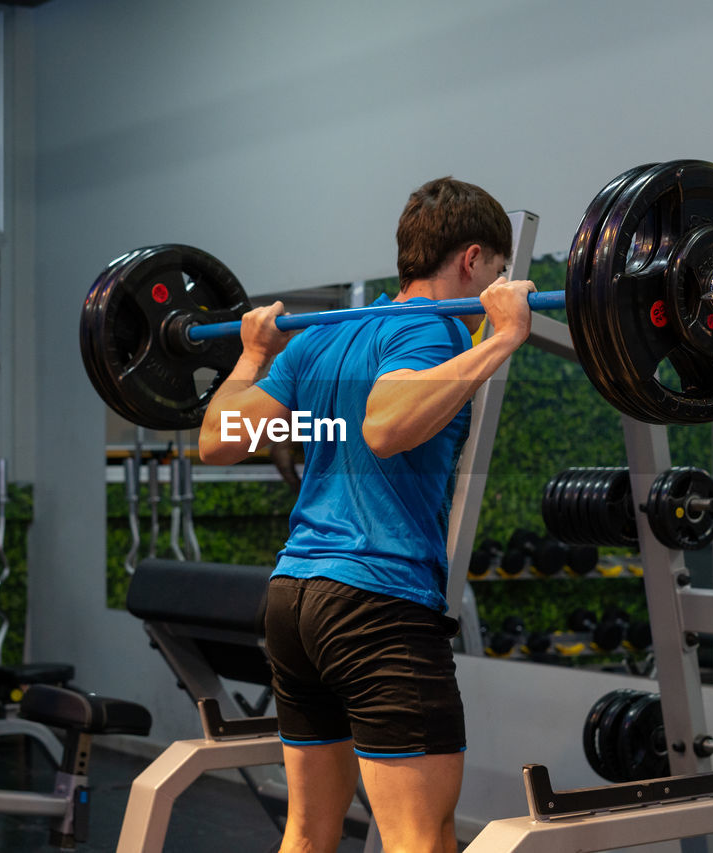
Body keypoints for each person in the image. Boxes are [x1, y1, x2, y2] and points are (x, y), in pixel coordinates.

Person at [197, 177, 534, 853]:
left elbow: (218, 436)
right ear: (472, 260)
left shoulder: (327, 337)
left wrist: (253, 354)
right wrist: (501, 340)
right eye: (497, 272)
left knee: (309, 830)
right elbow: (384, 425)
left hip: (295, 602)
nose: (491, 290)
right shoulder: (431, 329)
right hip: (376, 602)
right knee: (420, 835)